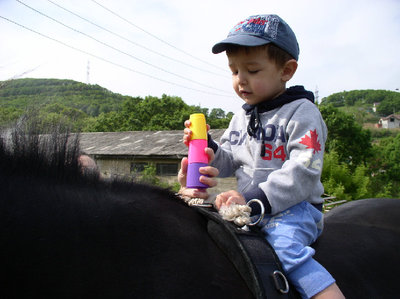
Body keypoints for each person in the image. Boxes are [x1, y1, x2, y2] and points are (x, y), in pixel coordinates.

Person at [181, 14, 345, 299]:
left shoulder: (302, 113)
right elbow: (229, 161)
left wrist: (253, 199)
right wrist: (207, 147)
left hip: (295, 209)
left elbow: (303, 172)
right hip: (249, 209)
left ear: (286, 70)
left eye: (253, 71)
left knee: (284, 250)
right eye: (234, 71)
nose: (241, 80)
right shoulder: (240, 117)